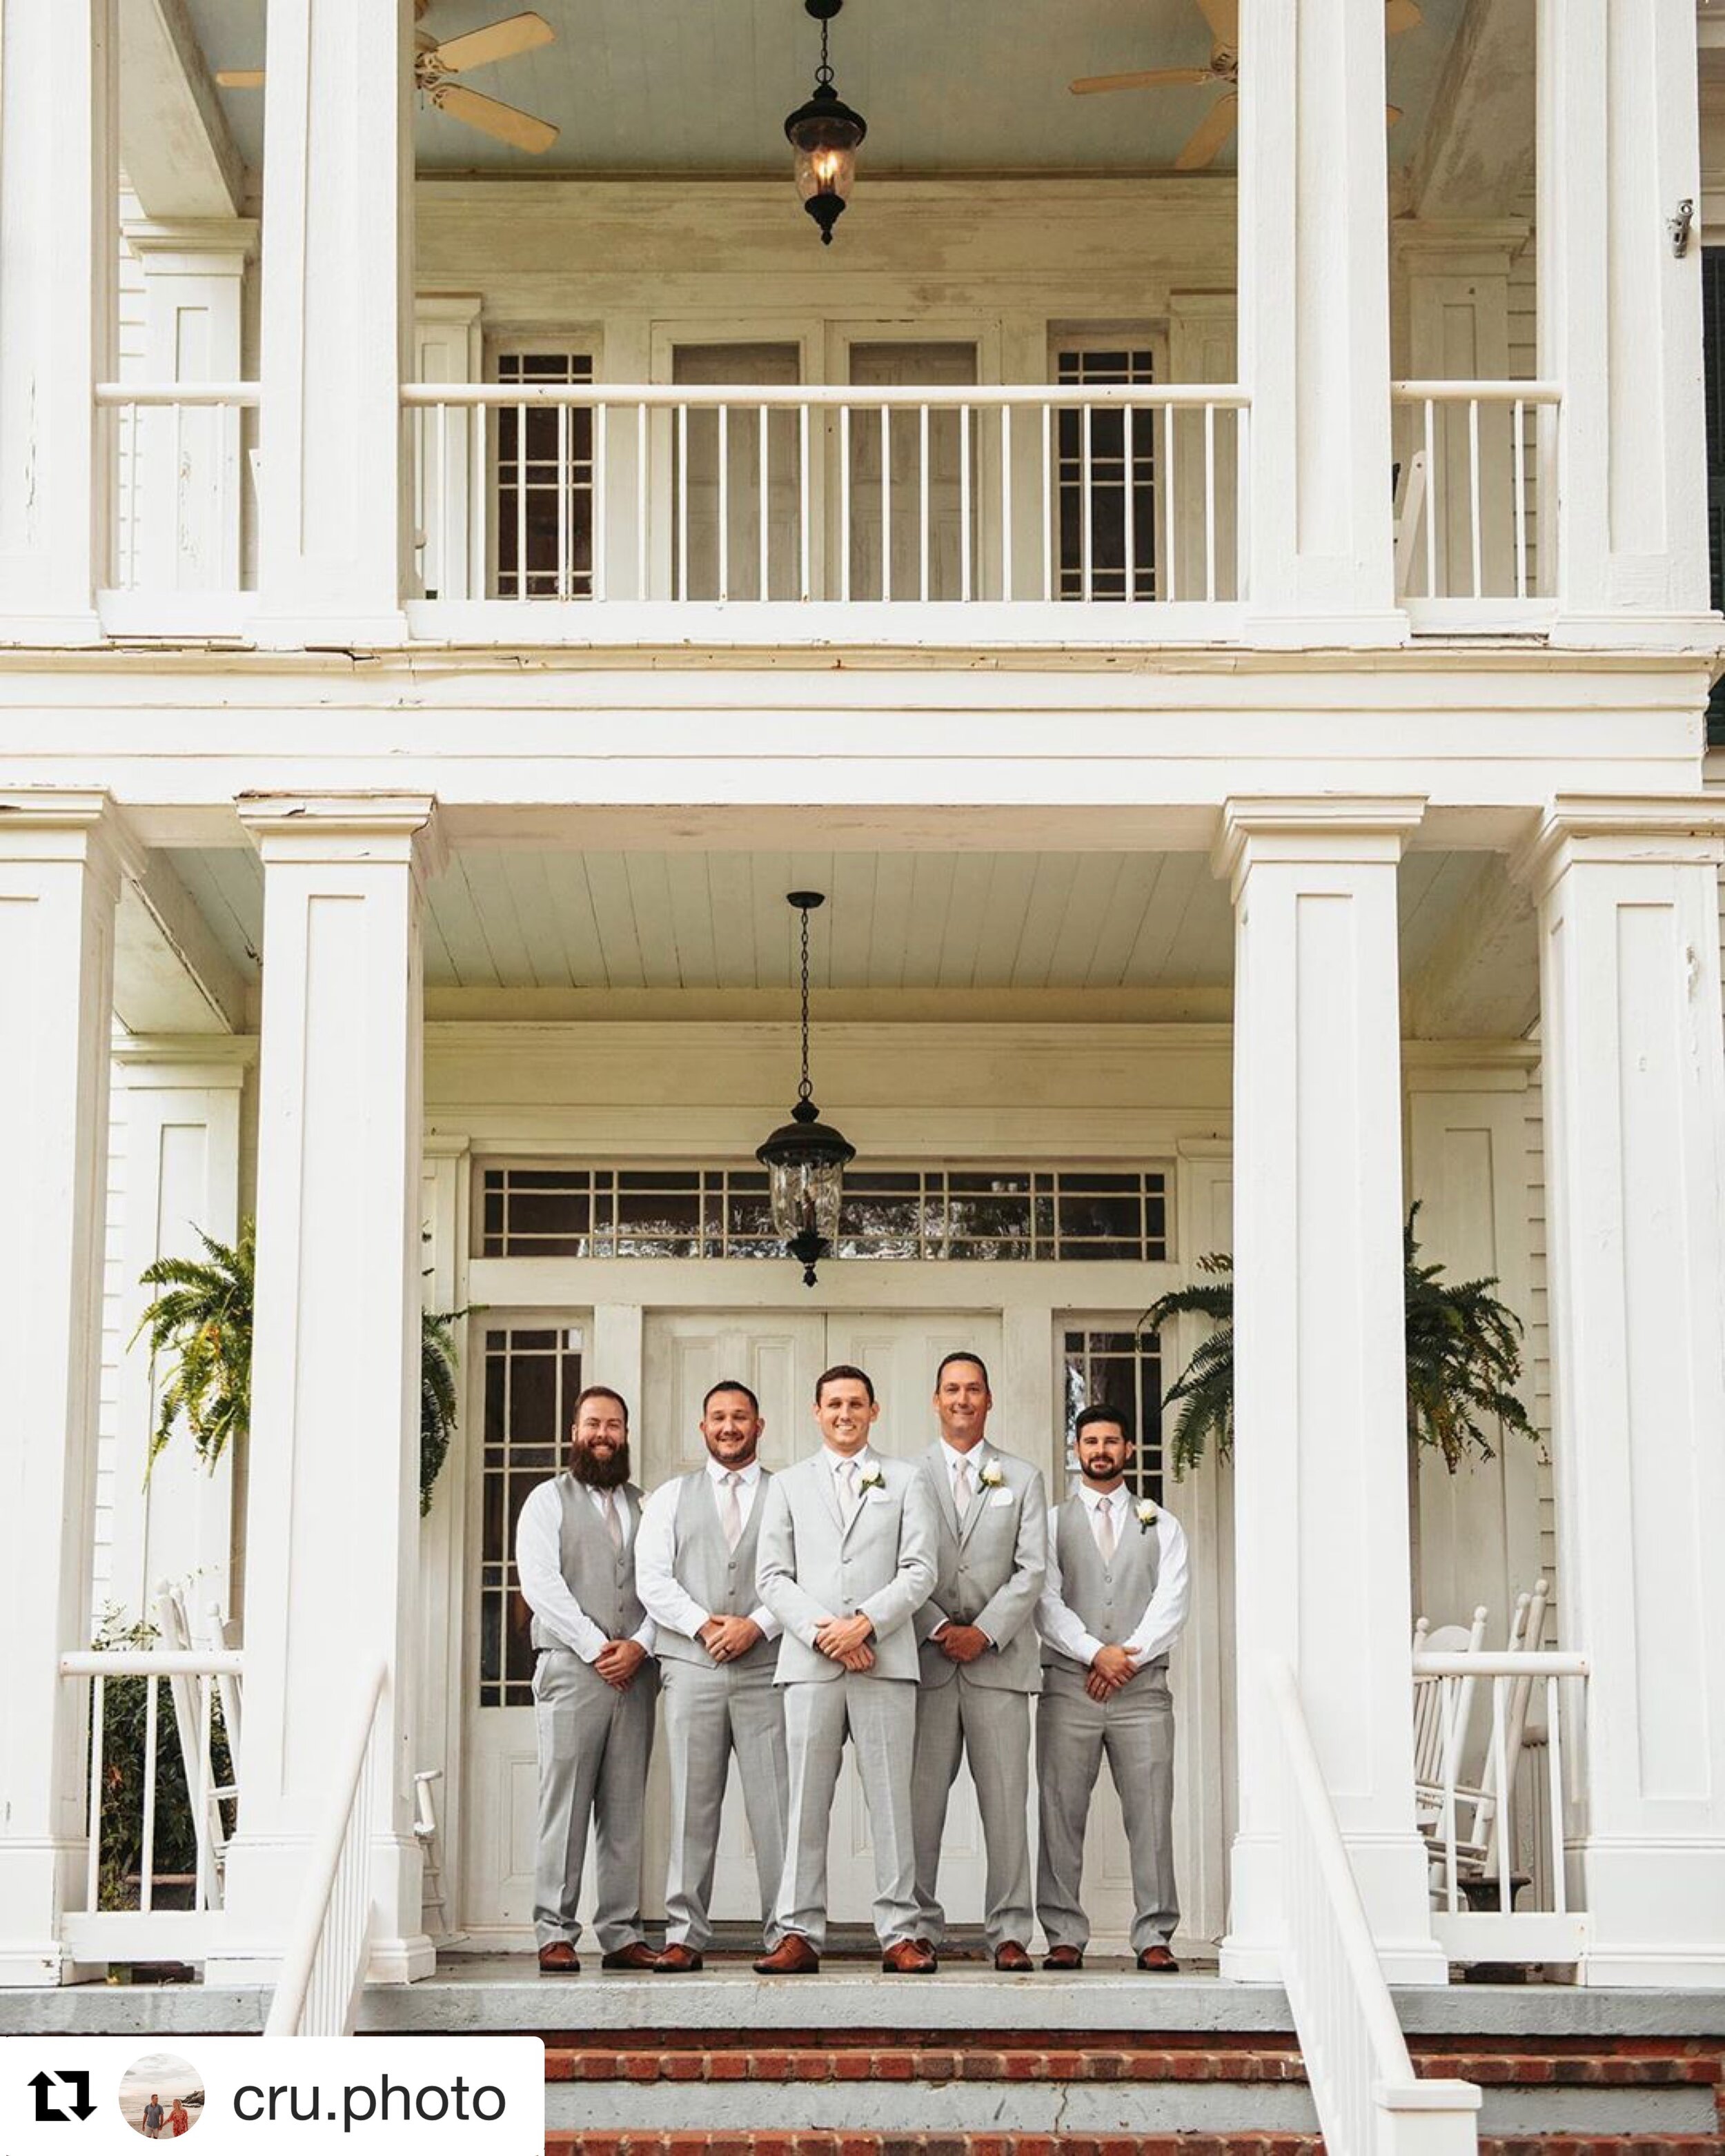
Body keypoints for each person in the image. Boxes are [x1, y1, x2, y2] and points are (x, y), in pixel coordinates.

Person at [753, 1364, 939, 1974]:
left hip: (884, 1661)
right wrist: (825, 1634)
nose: (844, 1413)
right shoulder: (787, 1485)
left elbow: (919, 1570)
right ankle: (799, 1930)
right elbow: (773, 1576)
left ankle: (899, 1932)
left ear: (874, 1411)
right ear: (816, 1411)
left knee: (892, 1801)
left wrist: (866, 1624)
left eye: (855, 1403)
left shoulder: (907, 1480)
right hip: (809, 1665)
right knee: (803, 1801)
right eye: (833, 1403)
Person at [635, 1378, 789, 1971]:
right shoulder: (672, 1496)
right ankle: (685, 1932)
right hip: (692, 1668)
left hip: (766, 1667)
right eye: (719, 1417)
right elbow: (652, 1578)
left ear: (759, 1425)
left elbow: (803, 1574)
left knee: (775, 1804)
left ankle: (784, 1931)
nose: (729, 1426)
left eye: (741, 1416)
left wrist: (756, 1625)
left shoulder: (787, 1494)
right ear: (703, 1427)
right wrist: (705, 1625)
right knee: (691, 1804)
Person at [1034, 1402, 1190, 1972]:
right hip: (1068, 1688)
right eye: (1090, 1440)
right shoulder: (1050, 1524)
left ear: (1128, 1450)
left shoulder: (1161, 1523)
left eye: (1111, 1441)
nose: (1100, 1450)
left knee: (1150, 1812)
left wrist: (1126, 1657)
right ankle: (1063, 1933)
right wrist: (1093, 1653)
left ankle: (1154, 1931)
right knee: (1060, 1810)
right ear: (1076, 1450)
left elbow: (1171, 1602)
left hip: (1142, 1690)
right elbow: (1045, 1601)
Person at [515, 1383, 659, 1974]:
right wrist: (601, 1647)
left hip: (637, 1672)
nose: (604, 1435)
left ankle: (621, 1932)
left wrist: (641, 1646)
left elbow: (662, 1584)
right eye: (593, 1424)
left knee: (625, 1807)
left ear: (626, 1434)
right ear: (575, 1431)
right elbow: (541, 1585)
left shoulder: (645, 1504)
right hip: (574, 1669)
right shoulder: (547, 1501)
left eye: (615, 1425)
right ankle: (555, 1929)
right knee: (565, 1802)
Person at [909, 1351, 1047, 1971]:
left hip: (999, 1666)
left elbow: (1032, 1569)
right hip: (928, 1664)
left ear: (989, 1400)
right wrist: (939, 1625)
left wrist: (984, 1632)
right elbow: (893, 1566)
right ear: (935, 1400)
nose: (962, 1399)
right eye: (951, 1389)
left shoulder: (1022, 1477)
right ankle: (916, 1926)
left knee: (1005, 1805)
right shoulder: (906, 1477)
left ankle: (1011, 1929)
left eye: (973, 1389)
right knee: (919, 1806)